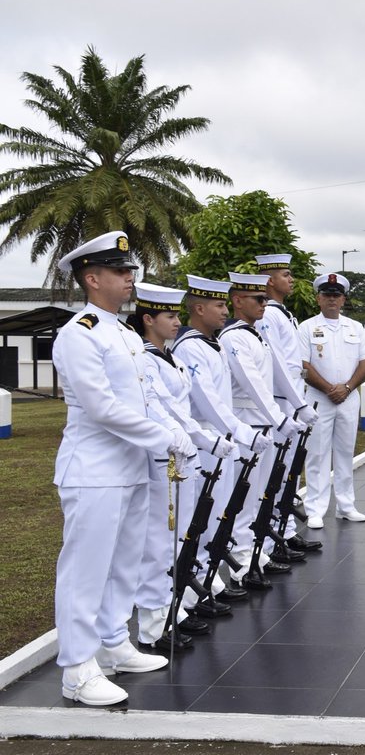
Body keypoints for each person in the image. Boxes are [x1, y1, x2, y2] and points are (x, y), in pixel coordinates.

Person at [51, 231, 186, 705]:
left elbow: (147, 398)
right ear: (92, 278)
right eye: (120, 271)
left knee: (124, 564)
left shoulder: (124, 333)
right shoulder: (79, 334)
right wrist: (164, 437)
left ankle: (112, 644)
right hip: (94, 469)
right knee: (85, 571)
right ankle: (76, 668)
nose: (131, 278)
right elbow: (101, 407)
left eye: (130, 270)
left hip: (130, 466)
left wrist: (173, 429)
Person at [129, 283, 238, 652]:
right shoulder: (144, 359)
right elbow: (161, 409)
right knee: (160, 542)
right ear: (148, 319)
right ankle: (153, 626)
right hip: (164, 457)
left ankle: (174, 609)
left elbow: (185, 408)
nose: (177, 322)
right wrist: (196, 438)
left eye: (177, 315)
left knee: (178, 539)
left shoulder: (169, 357)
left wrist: (202, 440)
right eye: (170, 316)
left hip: (183, 455)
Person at [173, 275, 270, 616]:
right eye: (218, 305)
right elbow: (209, 401)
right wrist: (242, 431)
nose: (225, 310)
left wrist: (236, 433)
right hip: (203, 441)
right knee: (198, 518)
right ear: (198, 309)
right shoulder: (189, 347)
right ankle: (189, 590)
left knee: (215, 515)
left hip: (221, 440)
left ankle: (207, 581)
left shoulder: (210, 343)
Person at [220, 272, 307, 586]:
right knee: (243, 498)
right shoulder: (234, 337)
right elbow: (252, 383)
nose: (263, 304)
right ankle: (242, 562)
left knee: (259, 494)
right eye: (257, 299)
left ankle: (256, 553)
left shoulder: (254, 334)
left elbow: (277, 374)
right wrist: (279, 416)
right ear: (237, 301)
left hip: (263, 424)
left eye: (264, 298)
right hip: (247, 423)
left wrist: (293, 408)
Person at [255, 253, 321, 552]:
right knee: (276, 474)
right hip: (282, 403)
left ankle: (285, 530)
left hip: (292, 400)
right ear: (269, 280)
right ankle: (271, 540)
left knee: (289, 472)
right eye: (285, 274)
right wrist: (296, 403)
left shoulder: (283, 313)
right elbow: (277, 364)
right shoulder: (268, 315)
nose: (291, 279)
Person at [298, 273, 365, 524]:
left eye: (336, 295)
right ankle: (315, 509)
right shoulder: (306, 327)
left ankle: (346, 505)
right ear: (318, 299)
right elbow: (303, 364)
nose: (332, 299)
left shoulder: (356, 327)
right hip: (319, 398)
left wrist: (348, 387)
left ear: (343, 299)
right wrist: (331, 388)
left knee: (344, 452)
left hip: (349, 397)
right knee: (317, 454)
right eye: (327, 295)